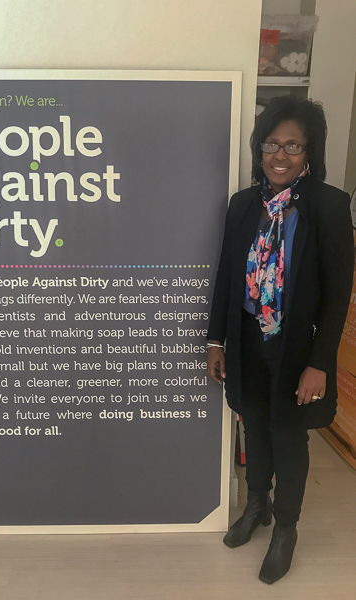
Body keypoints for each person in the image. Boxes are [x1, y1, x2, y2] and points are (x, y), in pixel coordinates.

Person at [206, 95, 354, 584]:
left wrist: (321, 364)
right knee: (254, 423)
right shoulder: (244, 205)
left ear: (309, 152)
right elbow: (228, 274)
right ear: (259, 147)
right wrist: (216, 340)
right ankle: (256, 507)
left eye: (293, 145)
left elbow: (337, 296)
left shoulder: (329, 207)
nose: (281, 155)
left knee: (288, 436)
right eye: (272, 143)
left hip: (297, 347)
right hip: (248, 339)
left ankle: (285, 529)